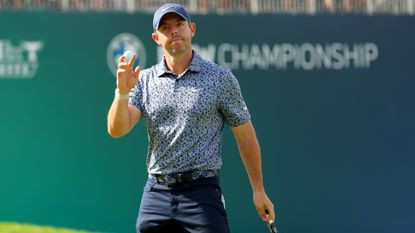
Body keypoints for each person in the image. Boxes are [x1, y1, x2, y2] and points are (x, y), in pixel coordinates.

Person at [107, 3, 275, 233]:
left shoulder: (220, 78)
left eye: (179, 24)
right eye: (166, 27)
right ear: (156, 37)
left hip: (202, 193)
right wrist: (122, 92)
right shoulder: (144, 80)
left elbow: (245, 136)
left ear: (192, 29)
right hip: (157, 192)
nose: (173, 30)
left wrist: (258, 190)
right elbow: (117, 129)